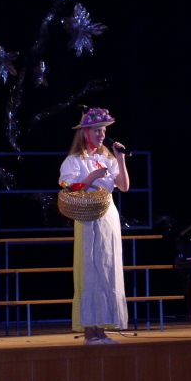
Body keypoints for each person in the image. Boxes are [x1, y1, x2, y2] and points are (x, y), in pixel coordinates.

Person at [59, 107, 130, 344]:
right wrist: (92, 177)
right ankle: (90, 332)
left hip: (108, 214)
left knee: (108, 270)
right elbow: (71, 188)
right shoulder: (74, 161)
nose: (101, 135)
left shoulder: (108, 158)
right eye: (97, 130)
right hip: (87, 215)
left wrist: (120, 158)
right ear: (85, 133)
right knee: (90, 270)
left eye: (103, 131)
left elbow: (123, 187)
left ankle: (102, 330)